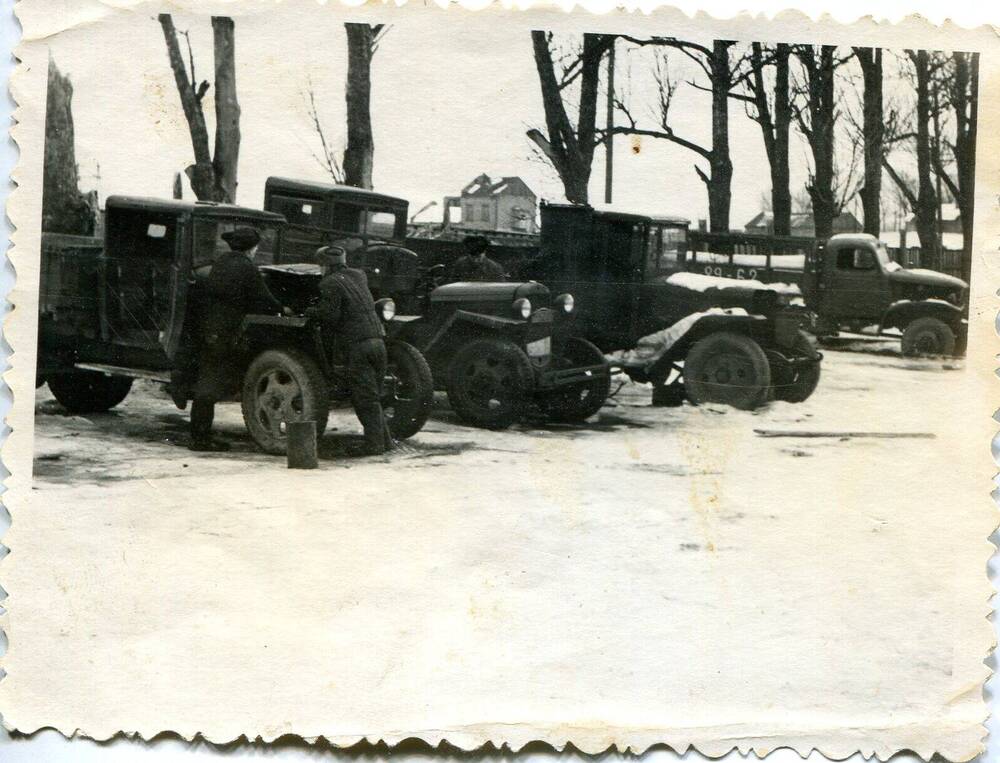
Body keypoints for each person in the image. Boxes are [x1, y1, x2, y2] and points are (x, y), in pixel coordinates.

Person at [189, 226, 288, 452]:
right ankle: (200, 440)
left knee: (206, 383)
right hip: (224, 333)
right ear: (251, 249)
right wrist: (284, 309)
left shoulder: (221, 263)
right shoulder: (246, 267)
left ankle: (200, 436)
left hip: (209, 329)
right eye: (255, 248)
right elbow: (263, 298)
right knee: (209, 387)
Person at [311, 245, 395, 456]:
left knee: (364, 399)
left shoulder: (329, 282)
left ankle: (374, 445)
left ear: (324, 266)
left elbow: (330, 316)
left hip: (359, 346)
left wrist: (311, 310)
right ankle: (385, 442)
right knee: (373, 397)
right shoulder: (359, 275)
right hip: (378, 342)